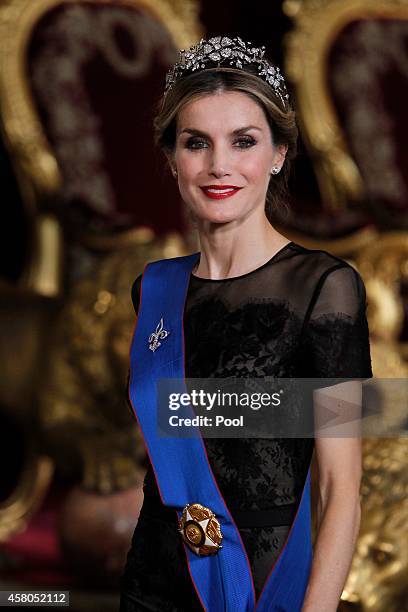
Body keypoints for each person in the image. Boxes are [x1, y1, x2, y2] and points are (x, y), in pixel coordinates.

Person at [120, 36, 373, 611]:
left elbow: (340, 490)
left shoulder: (326, 289)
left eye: (243, 142)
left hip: (264, 584)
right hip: (153, 580)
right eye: (196, 143)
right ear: (172, 158)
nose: (219, 166)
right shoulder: (153, 290)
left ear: (279, 153)